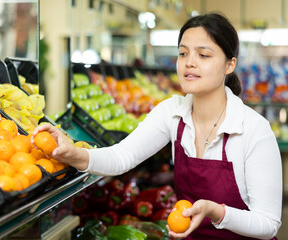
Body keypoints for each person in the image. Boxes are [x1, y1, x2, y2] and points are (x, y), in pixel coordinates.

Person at [32, 13, 282, 239]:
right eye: (183, 53)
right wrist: (73, 153)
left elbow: (268, 224)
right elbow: (123, 156)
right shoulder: (172, 112)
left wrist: (214, 211)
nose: (189, 62)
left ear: (230, 64)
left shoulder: (252, 129)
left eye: (203, 55)